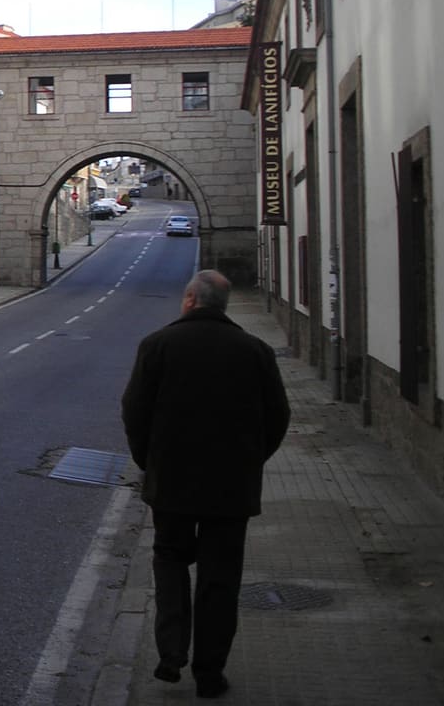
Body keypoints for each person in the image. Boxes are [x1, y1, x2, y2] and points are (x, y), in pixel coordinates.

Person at [121, 269, 290, 699]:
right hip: (231, 490)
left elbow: (134, 412)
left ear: (191, 300)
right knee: (221, 578)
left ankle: (170, 655)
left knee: (170, 563)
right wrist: (251, 461)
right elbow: (278, 418)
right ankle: (210, 673)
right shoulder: (256, 352)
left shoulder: (157, 346)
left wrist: (149, 461)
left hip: (172, 484)